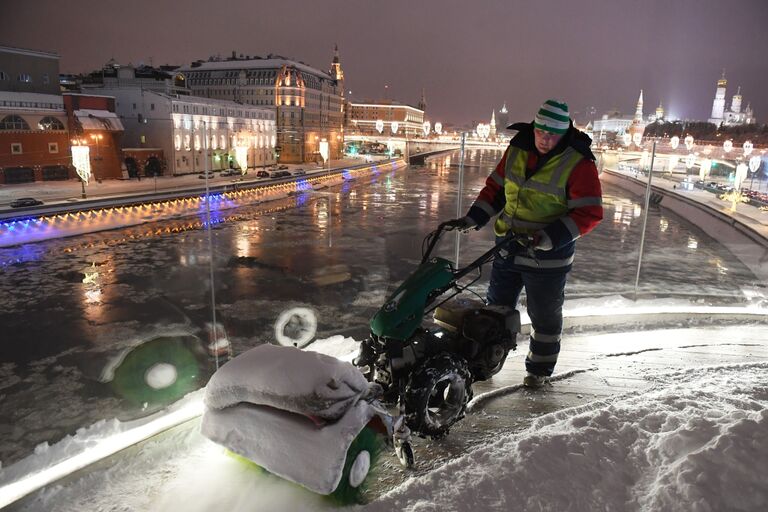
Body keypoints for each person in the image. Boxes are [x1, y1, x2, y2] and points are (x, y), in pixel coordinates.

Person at [446, 99, 603, 388]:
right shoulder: (517, 148)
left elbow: (590, 212)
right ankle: (484, 364)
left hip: (548, 258)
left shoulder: (578, 162)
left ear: (565, 132)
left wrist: (548, 238)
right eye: (540, 131)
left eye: (553, 134)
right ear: (534, 127)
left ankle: (539, 371)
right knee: (495, 310)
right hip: (508, 247)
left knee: (544, 317)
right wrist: (474, 218)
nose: (545, 139)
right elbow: (496, 189)